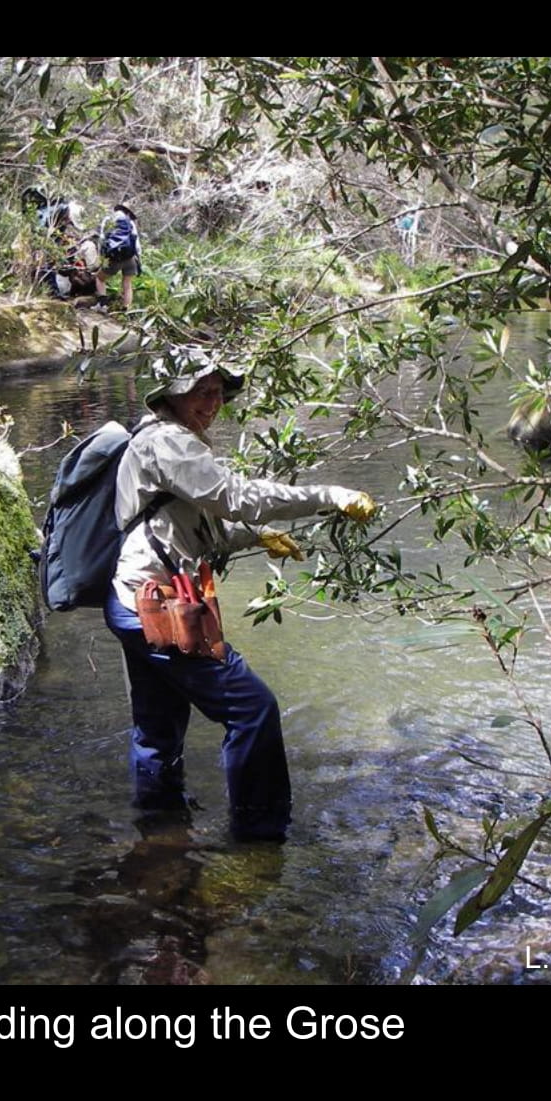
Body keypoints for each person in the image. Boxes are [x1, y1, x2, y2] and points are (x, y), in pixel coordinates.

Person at [104, 351, 377, 840]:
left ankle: (159, 831)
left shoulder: (170, 443)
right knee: (253, 710)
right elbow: (238, 498)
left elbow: (206, 528)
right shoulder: (167, 443)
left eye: (216, 393)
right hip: (157, 608)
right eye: (199, 391)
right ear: (171, 394)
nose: (211, 403)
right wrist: (327, 495)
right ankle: (258, 833)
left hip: (131, 600)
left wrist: (257, 536)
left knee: (158, 730)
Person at [104, 204, 141, 309]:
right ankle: (126, 308)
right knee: (127, 284)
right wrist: (138, 258)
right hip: (130, 257)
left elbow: (103, 238)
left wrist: (103, 256)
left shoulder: (110, 219)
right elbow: (136, 243)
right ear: (128, 212)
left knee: (99, 278)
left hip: (115, 257)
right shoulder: (130, 223)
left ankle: (102, 304)